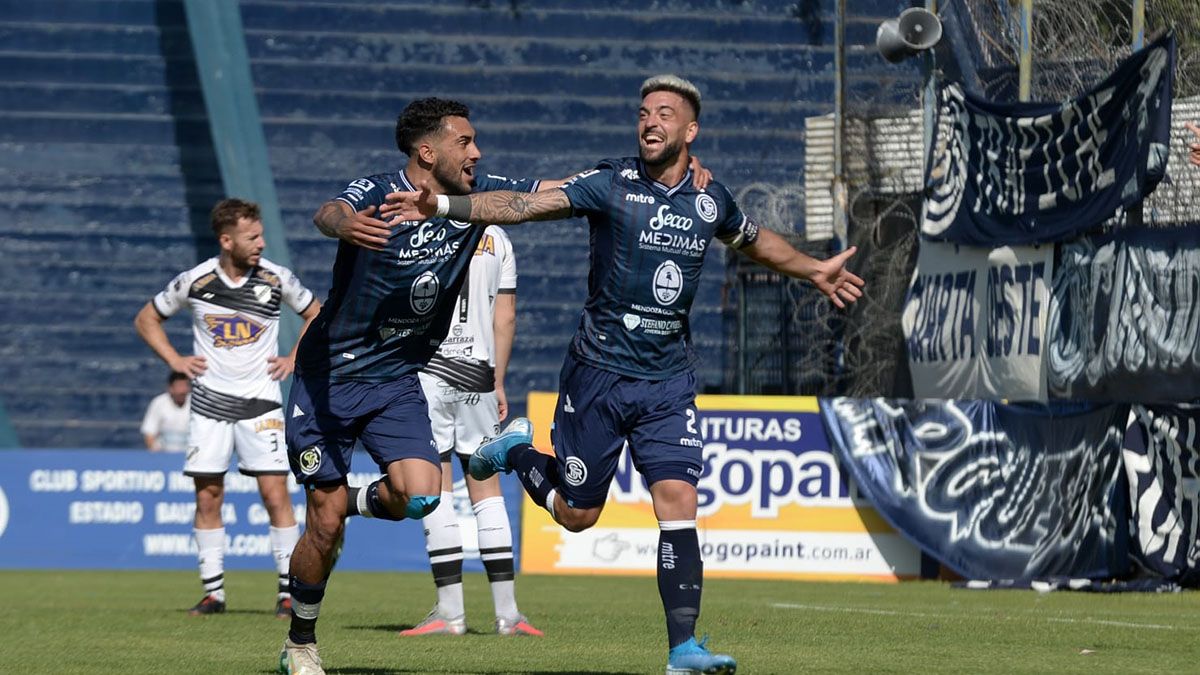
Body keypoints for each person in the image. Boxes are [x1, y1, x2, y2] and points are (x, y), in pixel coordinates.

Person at [386, 74, 865, 675]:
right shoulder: (610, 184)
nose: (650, 121)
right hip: (599, 374)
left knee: (678, 500)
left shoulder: (710, 198)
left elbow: (753, 240)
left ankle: (683, 648)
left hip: (668, 381)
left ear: (690, 130)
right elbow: (523, 206)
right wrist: (441, 205)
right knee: (576, 515)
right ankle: (515, 452)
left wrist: (813, 269)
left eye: (664, 113)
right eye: (643, 112)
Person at [279, 96, 711, 675]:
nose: (477, 152)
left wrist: (671, 173)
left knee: (421, 495)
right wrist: (345, 225)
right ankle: (301, 643)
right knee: (323, 525)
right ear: (427, 152)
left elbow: (563, 189)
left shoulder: (477, 196)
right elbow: (329, 211)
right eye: (465, 142)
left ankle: (351, 503)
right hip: (329, 376)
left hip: (395, 379)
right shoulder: (378, 192)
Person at [135, 198, 321, 619]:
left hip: (262, 404)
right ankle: (213, 594)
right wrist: (176, 361)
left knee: (275, 495)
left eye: (261, 235)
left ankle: (287, 593)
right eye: (252, 237)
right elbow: (146, 319)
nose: (261, 243)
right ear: (226, 240)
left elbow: (316, 314)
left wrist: (294, 358)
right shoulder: (195, 281)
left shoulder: (276, 278)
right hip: (209, 406)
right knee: (208, 497)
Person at [402, 223, 542, 638]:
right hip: (478, 374)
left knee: (436, 487)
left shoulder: (418, 229)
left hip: (428, 373)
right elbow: (506, 316)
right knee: (488, 489)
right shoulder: (496, 236)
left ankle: (450, 615)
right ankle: (508, 615)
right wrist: (498, 381)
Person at [141, 371, 191, 452]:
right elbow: (149, 434)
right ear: (170, 388)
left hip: (190, 456)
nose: (183, 390)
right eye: (179, 386)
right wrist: (157, 456)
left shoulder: (195, 403)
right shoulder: (158, 403)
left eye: (185, 385)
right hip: (163, 455)